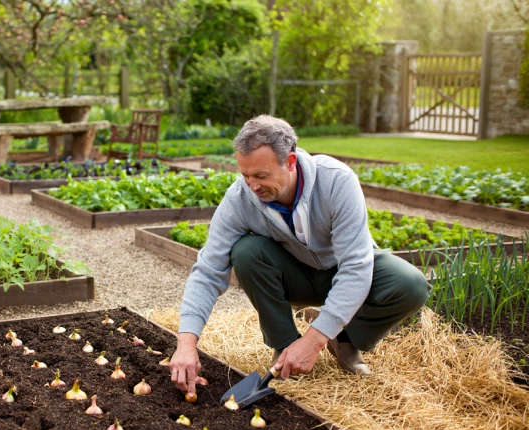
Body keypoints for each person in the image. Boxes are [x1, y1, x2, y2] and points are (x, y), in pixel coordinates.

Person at [169, 115, 430, 399]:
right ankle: (284, 344)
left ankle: (345, 339)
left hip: (344, 272)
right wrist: (186, 342)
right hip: (296, 275)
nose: (252, 186)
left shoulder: (336, 181)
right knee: (246, 252)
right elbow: (208, 270)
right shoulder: (240, 199)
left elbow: (356, 267)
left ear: (290, 162)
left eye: (261, 175)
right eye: (245, 175)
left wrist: (316, 340)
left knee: (411, 285)